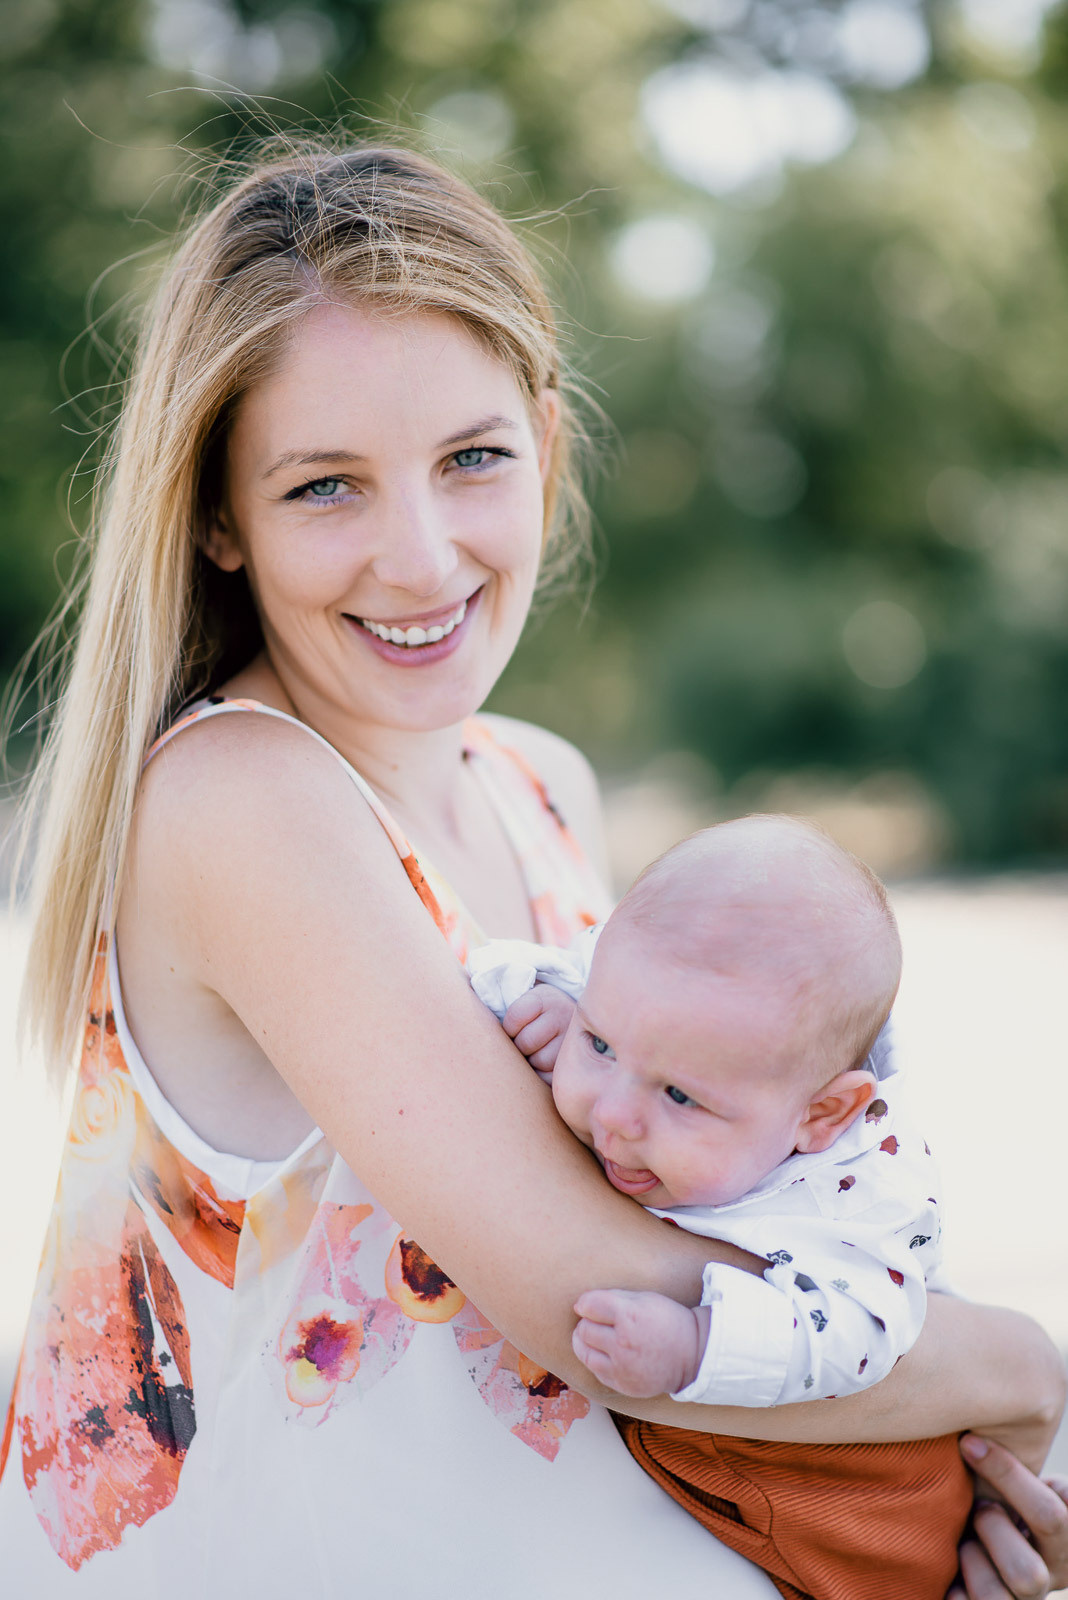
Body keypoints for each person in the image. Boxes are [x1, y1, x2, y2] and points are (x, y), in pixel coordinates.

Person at [0, 141, 1065, 1600]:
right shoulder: (240, 798)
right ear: (216, 519)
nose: (423, 558)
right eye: (325, 488)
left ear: (548, 446)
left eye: (472, 459)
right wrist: (1006, 1367)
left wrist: (913, 1520)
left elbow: (710, 1242)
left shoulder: (542, 786)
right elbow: (595, 1300)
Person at [470, 815, 973, 1599]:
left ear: (823, 1114)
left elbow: (861, 1336)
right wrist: (551, 1006)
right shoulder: (663, 1011)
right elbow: (511, 968)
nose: (615, 1116)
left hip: (854, 1488)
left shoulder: (866, 1200)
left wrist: (699, 1344)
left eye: (678, 1095)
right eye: (602, 1046)